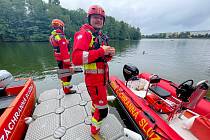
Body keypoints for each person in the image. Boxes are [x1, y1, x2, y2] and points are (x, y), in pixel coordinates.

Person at [72, 5, 115, 140]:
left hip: (101, 80)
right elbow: (76, 58)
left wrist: (108, 54)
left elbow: (100, 57)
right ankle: (94, 132)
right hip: (94, 81)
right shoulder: (83, 34)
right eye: (95, 17)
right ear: (89, 18)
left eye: (101, 19)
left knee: (96, 105)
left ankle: (93, 113)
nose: (98, 20)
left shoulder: (100, 36)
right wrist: (102, 51)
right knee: (103, 111)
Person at [49, 19, 76, 94]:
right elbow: (64, 51)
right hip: (64, 60)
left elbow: (57, 46)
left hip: (58, 58)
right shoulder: (61, 37)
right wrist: (69, 64)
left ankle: (65, 87)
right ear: (61, 27)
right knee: (67, 75)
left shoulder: (53, 36)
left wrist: (66, 42)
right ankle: (67, 90)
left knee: (62, 73)